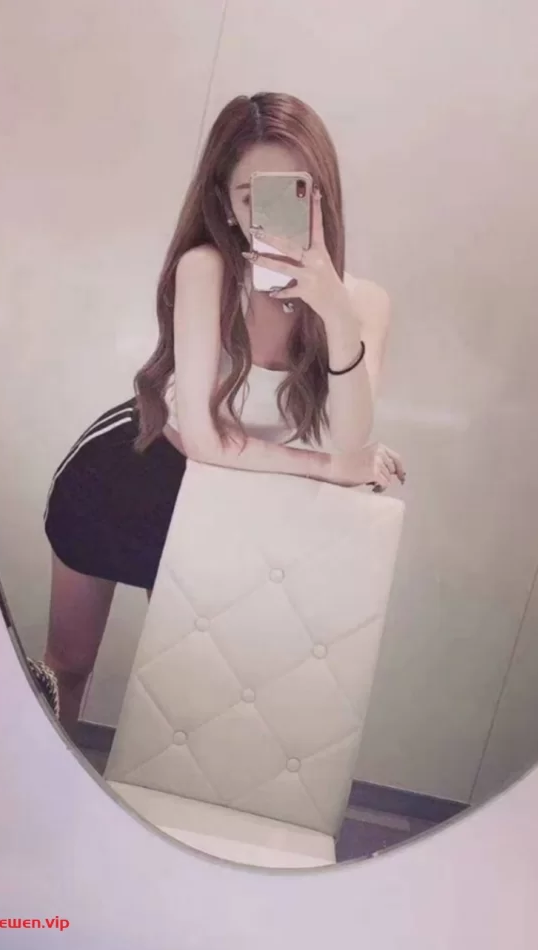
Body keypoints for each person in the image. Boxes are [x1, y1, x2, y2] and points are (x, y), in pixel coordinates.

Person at [43, 92, 405, 733]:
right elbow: (206, 440)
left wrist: (334, 310)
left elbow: (352, 436)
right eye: (251, 196)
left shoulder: (363, 303)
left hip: (226, 503)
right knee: (69, 664)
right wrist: (328, 468)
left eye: (296, 191)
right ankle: (47, 764)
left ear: (323, 194)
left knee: (186, 686)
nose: (272, 214)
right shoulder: (206, 269)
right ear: (227, 205)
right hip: (131, 471)